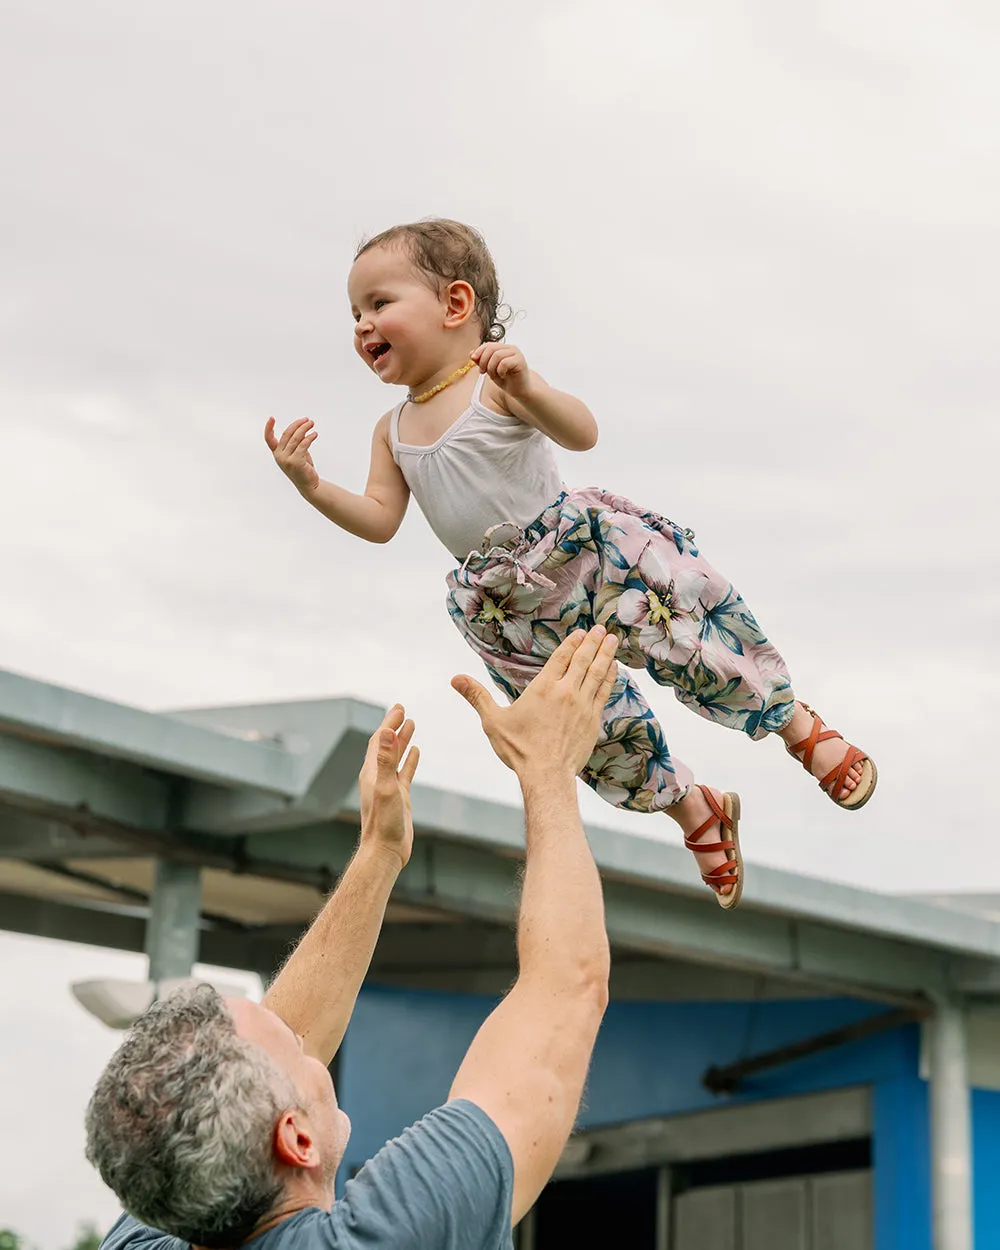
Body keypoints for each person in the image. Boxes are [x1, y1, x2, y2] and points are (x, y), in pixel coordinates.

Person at [264, 218, 877, 909]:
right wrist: (311, 485)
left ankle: (798, 727)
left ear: (455, 306)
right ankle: (693, 809)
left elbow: (582, 432)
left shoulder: (495, 385)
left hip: (586, 554)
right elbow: (379, 520)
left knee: (690, 635)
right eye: (354, 313)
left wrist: (529, 387)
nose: (361, 324)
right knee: (587, 724)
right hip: (507, 609)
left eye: (378, 304)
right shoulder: (393, 430)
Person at [85, 625, 620, 1250]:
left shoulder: (159, 1219)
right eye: (295, 1046)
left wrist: (379, 854)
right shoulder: (387, 1238)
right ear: (297, 1140)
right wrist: (548, 768)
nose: (302, 1034)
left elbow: (239, 1087)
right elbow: (565, 992)